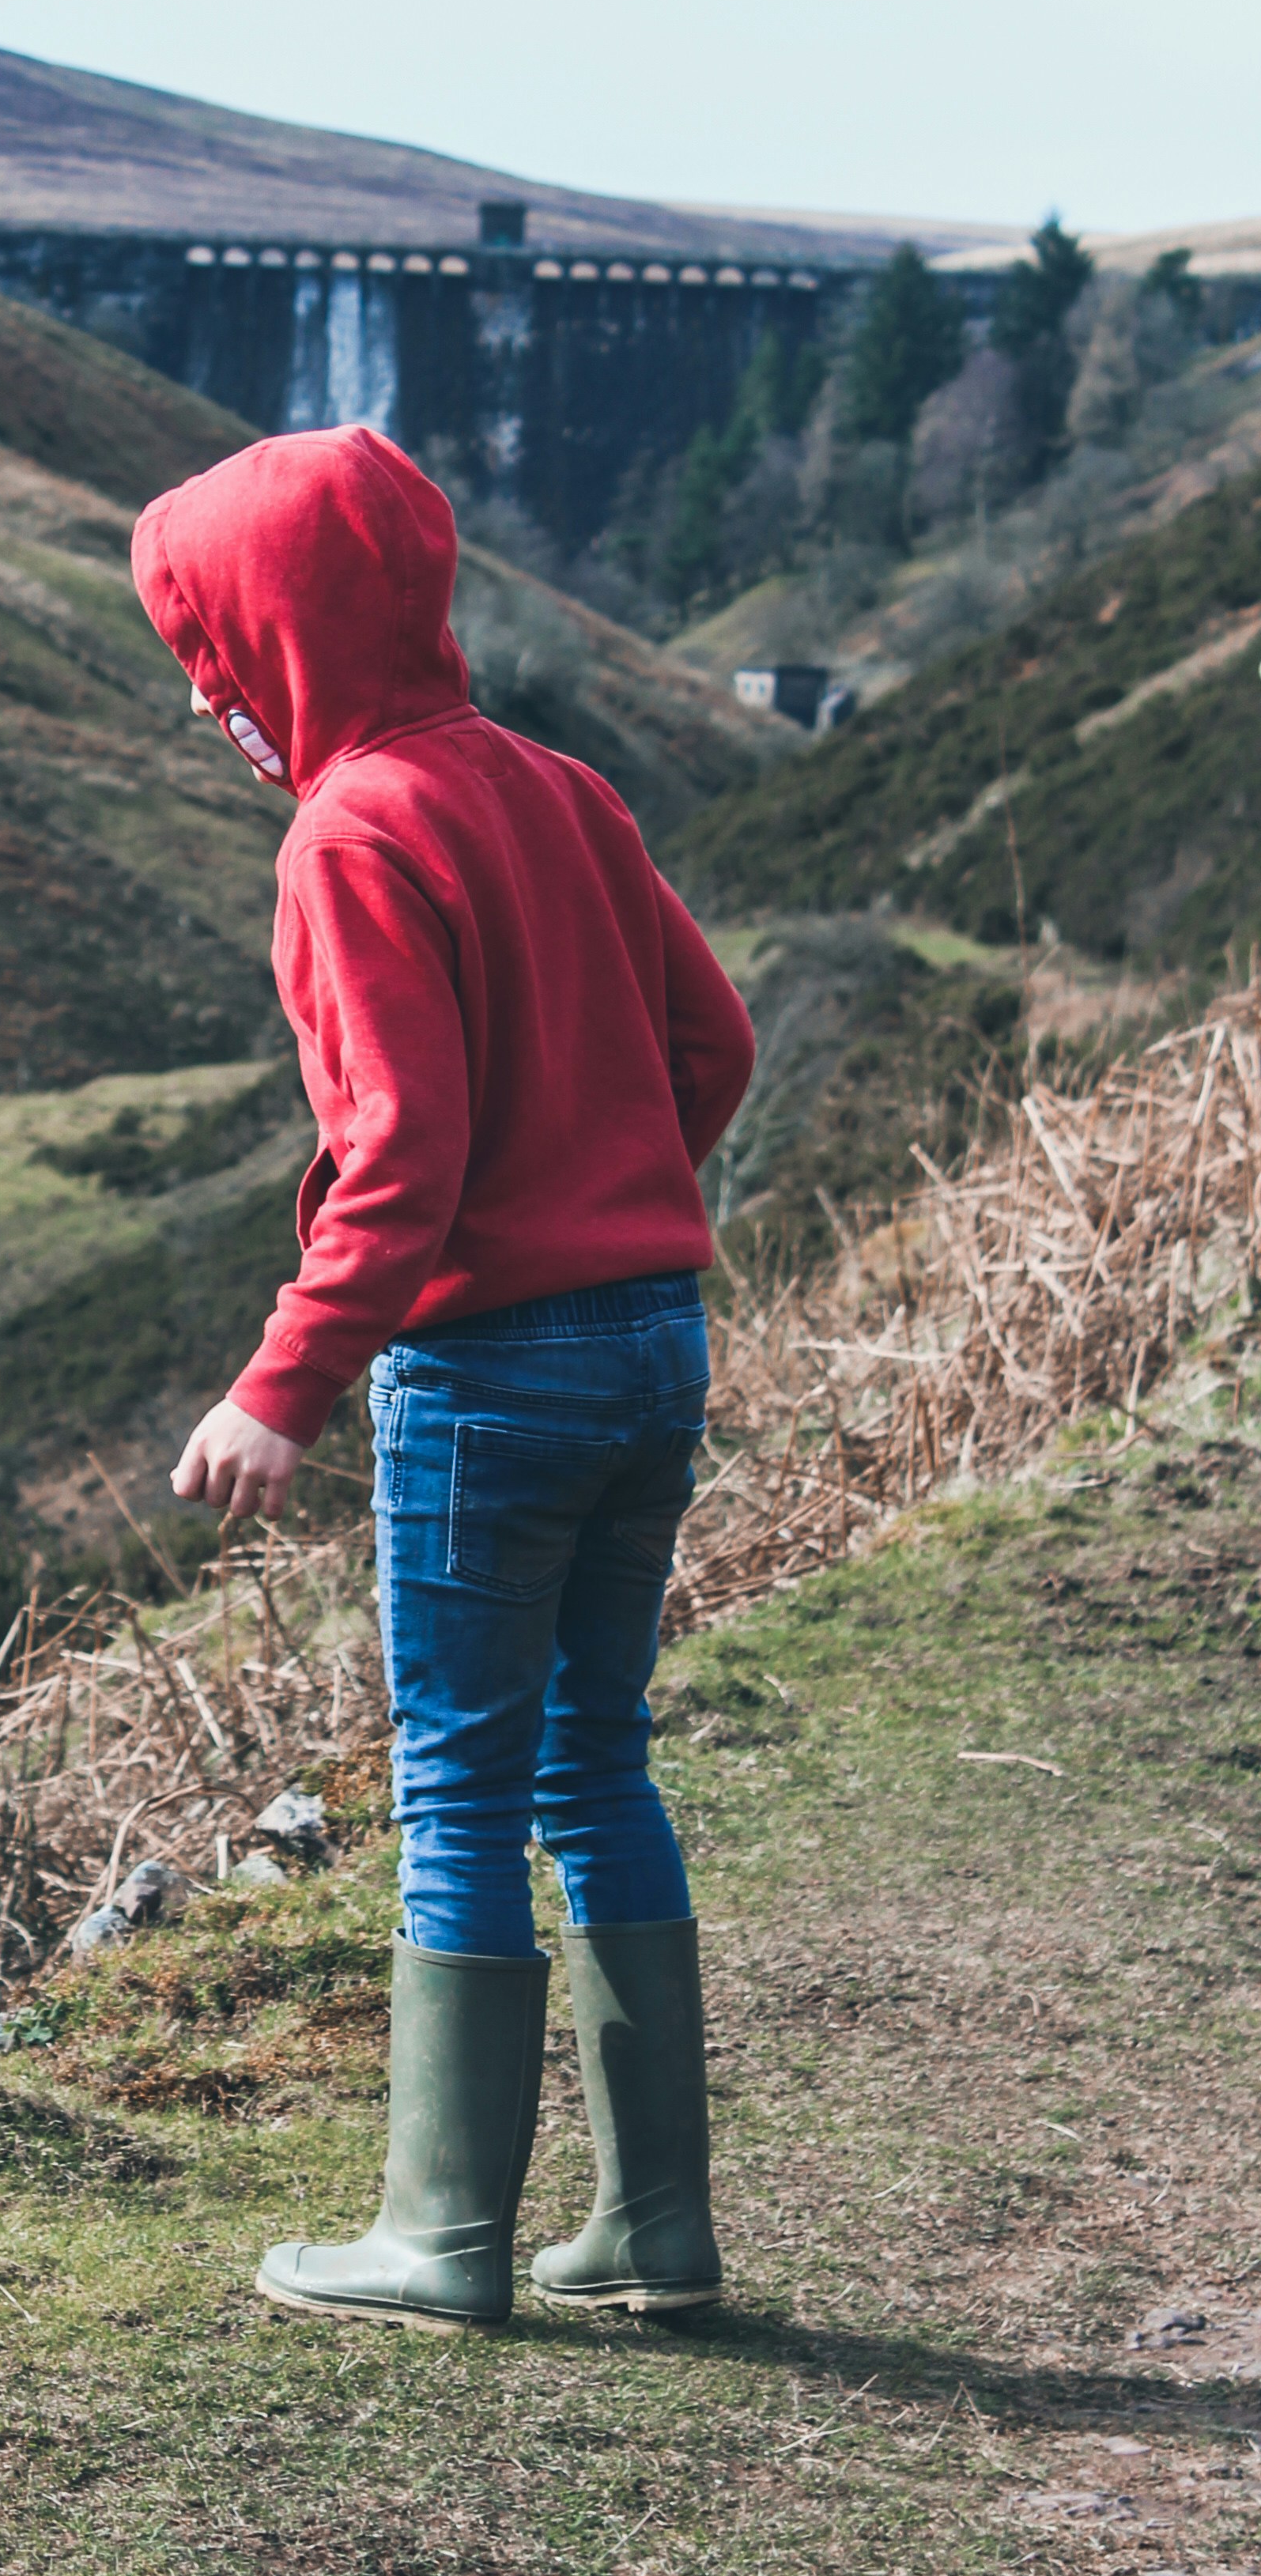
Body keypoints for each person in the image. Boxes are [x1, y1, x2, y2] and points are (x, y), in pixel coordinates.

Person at [130, 426, 755, 2329]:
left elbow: (399, 1158)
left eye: (210, 653)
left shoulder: (350, 833)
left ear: (269, 642)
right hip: (654, 1336)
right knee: (597, 1763)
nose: (207, 694)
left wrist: (279, 1384)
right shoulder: (561, 789)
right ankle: (653, 2231)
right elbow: (709, 1047)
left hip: (488, 1373)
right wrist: (611, 1192)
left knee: (462, 1784)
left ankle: (442, 2236)